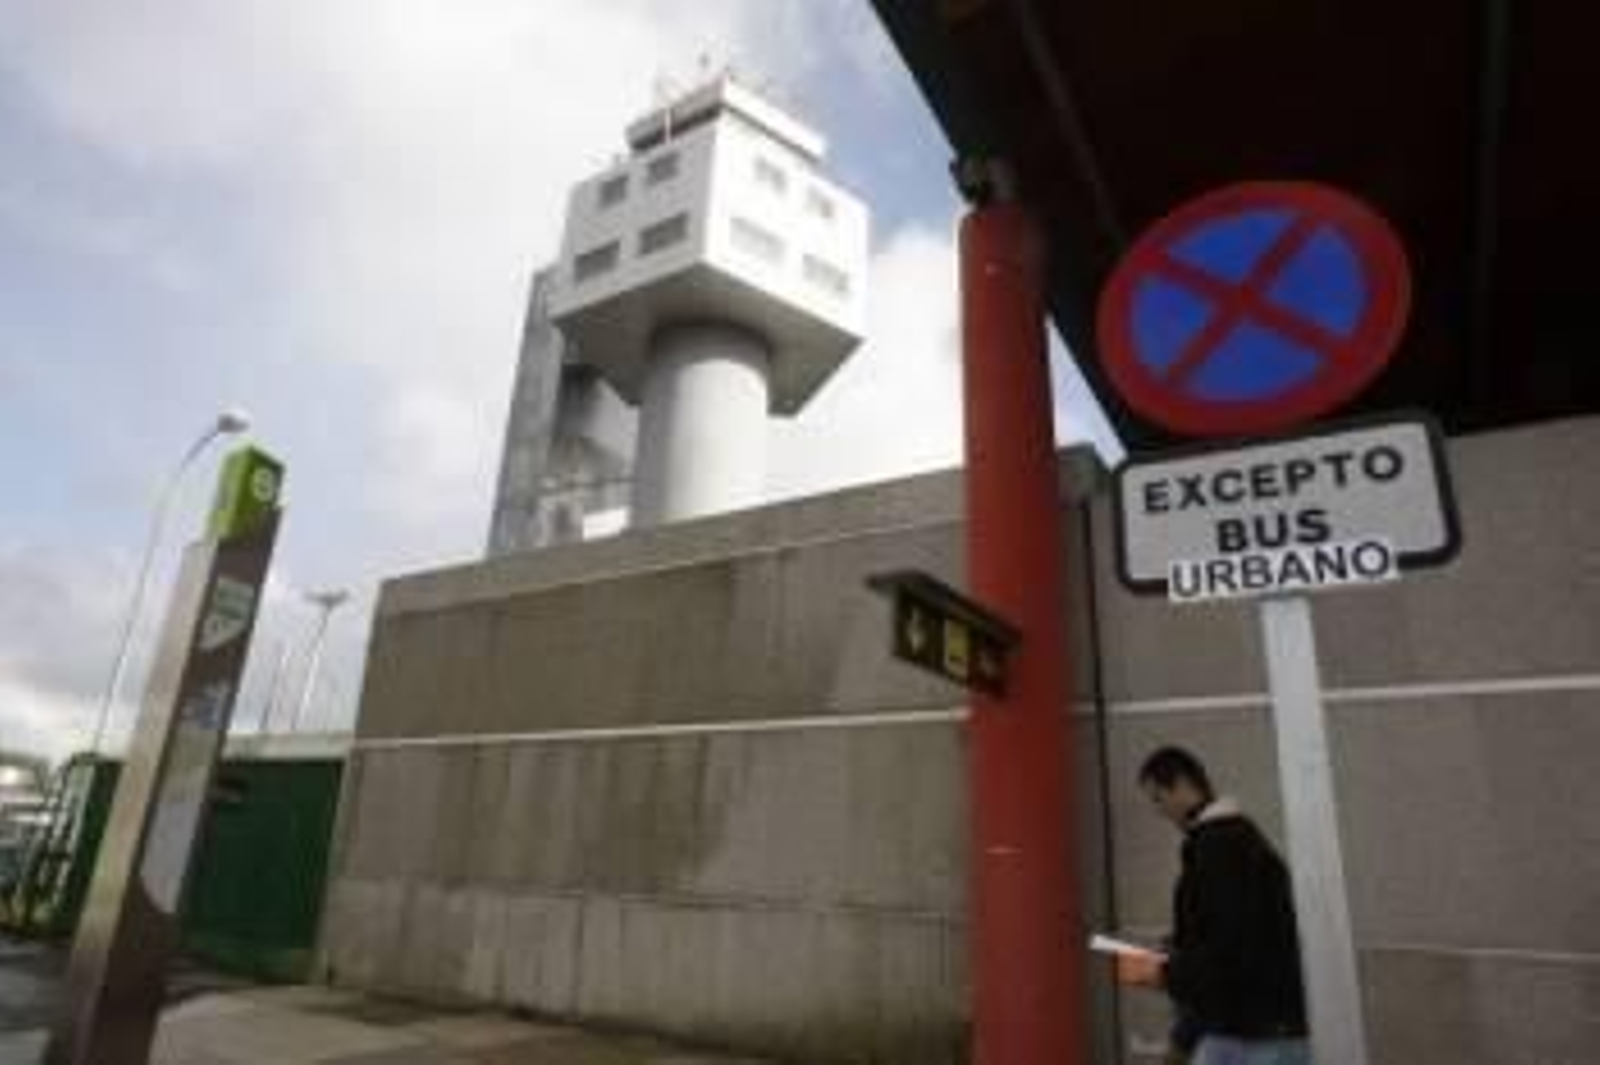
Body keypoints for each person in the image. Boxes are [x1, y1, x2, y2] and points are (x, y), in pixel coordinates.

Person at [1118, 746, 1310, 1065]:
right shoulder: (1236, 842)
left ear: (1182, 785)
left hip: (1254, 1034)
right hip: (1258, 1026)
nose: (1159, 811)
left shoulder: (1219, 848)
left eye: (1158, 797)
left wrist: (1166, 972)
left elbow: (1227, 950)